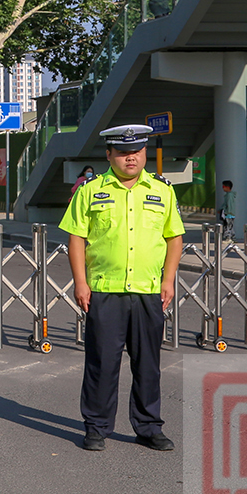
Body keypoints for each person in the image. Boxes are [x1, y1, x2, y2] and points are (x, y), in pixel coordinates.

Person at [60, 124, 184, 453]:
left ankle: (149, 426)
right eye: (123, 152)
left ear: (144, 153)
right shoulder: (90, 191)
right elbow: (76, 238)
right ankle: (96, 427)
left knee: (148, 364)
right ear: (109, 155)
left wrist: (168, 280)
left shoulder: (162, 191)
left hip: (148, 290)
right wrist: (81, 282)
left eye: (137, 152)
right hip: (105, 291)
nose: (131, 158)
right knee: (102, 363)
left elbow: (174, 238)